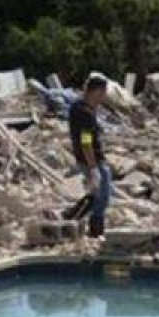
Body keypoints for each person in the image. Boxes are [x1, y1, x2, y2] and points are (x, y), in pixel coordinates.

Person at [67, 73, 111, 237]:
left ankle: (71, 218)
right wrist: (93, 168)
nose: (104, 97)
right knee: (102, 197)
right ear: (97, 91)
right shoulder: (85, 113)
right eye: (103, 93)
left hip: (86, 158)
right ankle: (93, 230)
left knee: (95, 195)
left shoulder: (77, 107)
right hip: (92, 160)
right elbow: (86, 141)